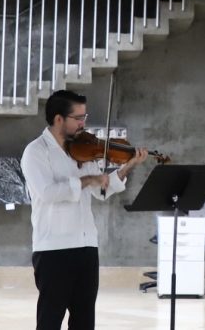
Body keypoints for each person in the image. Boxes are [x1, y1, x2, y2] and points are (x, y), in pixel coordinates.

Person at [20, 90, 148, 330]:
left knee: (84, 322)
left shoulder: (83, 149)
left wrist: (128, 166)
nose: (83, 123)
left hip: (86, 247)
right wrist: (87, 180)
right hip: (53, 250)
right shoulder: (35, 152)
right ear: (59, 119)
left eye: (84, 117)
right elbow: (48, 193)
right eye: (78, 118)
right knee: (49, 322)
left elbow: (101, 191)